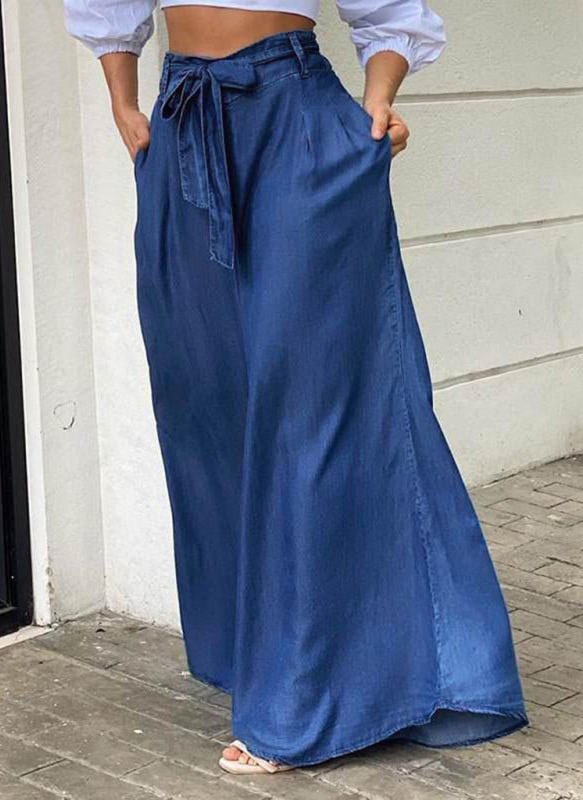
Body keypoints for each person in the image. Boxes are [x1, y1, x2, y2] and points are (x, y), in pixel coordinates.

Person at [63, 0, 529, 775]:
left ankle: (304, 701)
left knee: (312, 405)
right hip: (183, 120)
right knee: (205, 401)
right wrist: (123, 100)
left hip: (296, 120)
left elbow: (393, 15)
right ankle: (269, 658)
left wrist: (378, 100)